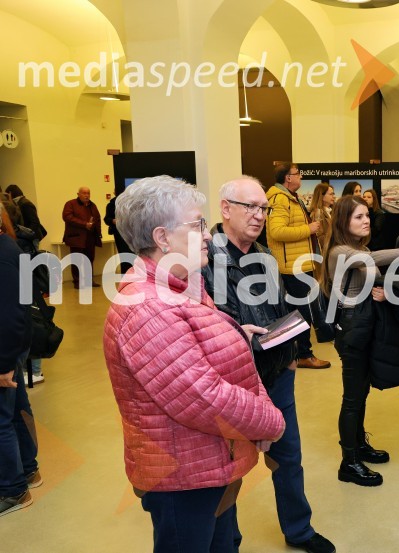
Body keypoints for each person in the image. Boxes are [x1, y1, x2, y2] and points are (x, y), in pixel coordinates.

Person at [103, 175, 286, 552]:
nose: (206, 235)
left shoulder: (183, 287)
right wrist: (269, 421)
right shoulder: (150, 308)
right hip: (183, 478)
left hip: (208, 463)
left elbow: (201, 356)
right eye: (197, 225)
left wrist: (236, 336)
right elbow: (203, 396)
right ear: (162, 237)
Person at [202, 176, 335, 553]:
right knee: (227, 471)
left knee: (288, 458)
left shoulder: (264, 255)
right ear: (226, 209)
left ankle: (299, 530)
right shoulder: (205, 259)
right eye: (251, 207)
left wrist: (292, 357)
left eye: (264, 208)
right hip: (229, 386)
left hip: (276, 377)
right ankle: (227, 542)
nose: (259, 215)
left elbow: (279, 310)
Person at [323, 195, 399, 487]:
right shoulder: (340, 252)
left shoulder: (359, 248)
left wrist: (382, 291)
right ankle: (349, 462)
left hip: (364, 325)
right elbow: (372, 260)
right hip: (352, 329)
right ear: (343, 221)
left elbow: (371, 273)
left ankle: (358, 446)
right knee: (352, 397)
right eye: (358, 217)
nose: (366, 220)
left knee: (361, 392)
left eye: (367, 215)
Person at [266, 162, 331, 369]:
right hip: (292, 266)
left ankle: (296, 354)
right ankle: (303, 354)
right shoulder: (280, 199)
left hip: (299, 263)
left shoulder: (290, 198)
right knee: (303, 312)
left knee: (299, 311)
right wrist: (307, 229)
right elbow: (277, 231)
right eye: (298, 173)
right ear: (288, 178)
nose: (301, 177)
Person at [0, 202, 41, 518]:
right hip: (14, 348)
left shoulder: (4, 254)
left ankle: (12, 490)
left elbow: (11, 314)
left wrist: (4, 364)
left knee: (2, 419)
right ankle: (28, 470)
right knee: (15, 411)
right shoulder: (10, 246)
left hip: (6, 350)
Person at [62, 186, 102, 289]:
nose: (87, 195)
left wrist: (98, 233)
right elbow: (67, 217)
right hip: (76, 238)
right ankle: (77, 282)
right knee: (77, 260)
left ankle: (89, 280)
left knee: (89, 259)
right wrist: (84, 224)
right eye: (84, 193)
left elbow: (97, 219)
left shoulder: (92, 205)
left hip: (90, 237)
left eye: (88, 193)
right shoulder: (70, 204)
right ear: (78, 194)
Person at [104, 192, 133, 275]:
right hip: (119, 233)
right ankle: (125, 276)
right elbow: (106, 219)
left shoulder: (131, 202)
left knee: (134, 255)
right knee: (124, 255)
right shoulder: (111, 204)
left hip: (132, 232)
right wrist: (113, 221)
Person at [309, 183, 336, 260]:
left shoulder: (332, 211)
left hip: (332, 252)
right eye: (331, 194)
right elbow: (319, 238)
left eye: (333, 194)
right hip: (325, 255)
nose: (333, 196)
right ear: (322, 196)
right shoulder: (317, 214)